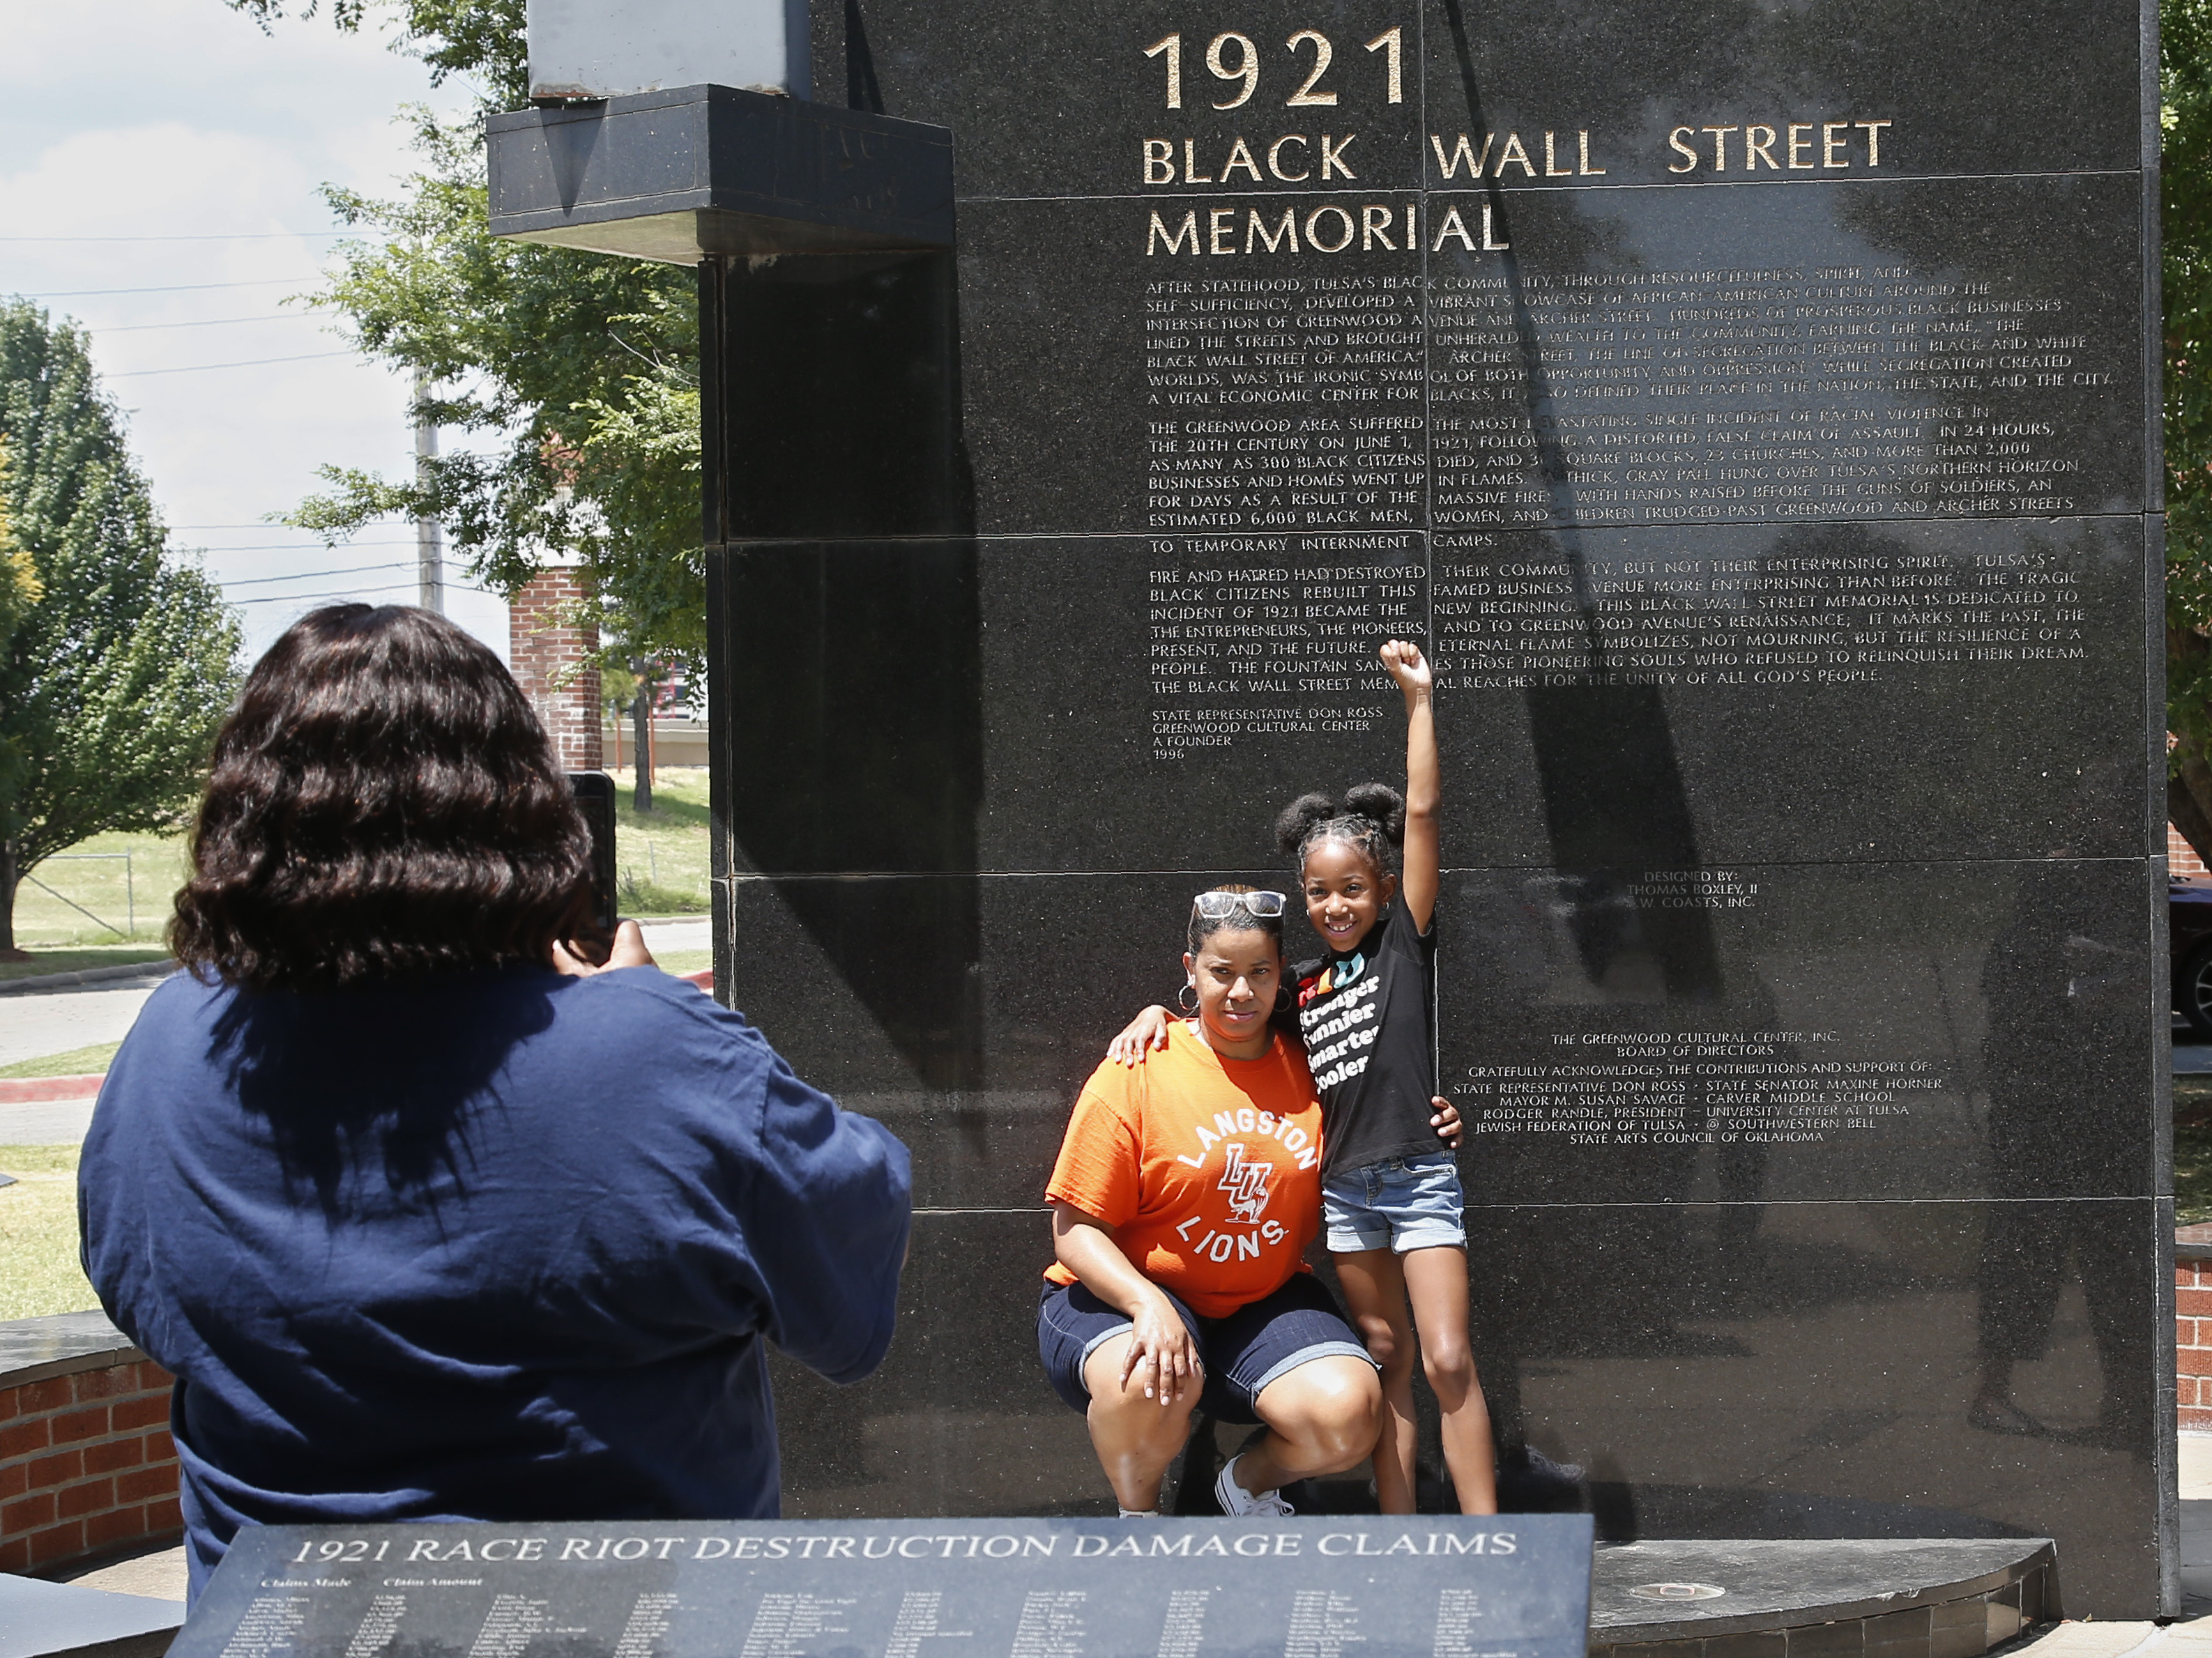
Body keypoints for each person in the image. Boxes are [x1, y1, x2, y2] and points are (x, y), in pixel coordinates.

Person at [77, 605, 911, 1603]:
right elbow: (844, 1285)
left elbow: (141, 1295)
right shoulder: (647, 1048)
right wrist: (659, 1019)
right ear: (520, 802)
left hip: (276, 1619)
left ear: (248, 813)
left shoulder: (176, 1036)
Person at [1111, 640, 1497, 1515]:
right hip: (1345, 1193)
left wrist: (1419, 705)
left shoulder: (1403, 945)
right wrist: (1154, 1018)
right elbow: (1226, 1010)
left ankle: (1488, 1544)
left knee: (1444, 1359)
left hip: (1417, 1178)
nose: (1334, 905)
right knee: (1385, 1360)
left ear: (1385, 887)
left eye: (1353, 887)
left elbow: (1426, 813)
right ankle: (1401, 1540)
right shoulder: (1301, 986)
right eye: (1317, 890)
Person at [1039, 889, 1384, 1518]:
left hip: (1261, 1301)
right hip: (1127, 1292)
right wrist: (1146, 1304)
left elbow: (1385, 1112)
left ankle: (1248, 1485)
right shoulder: (1137, 1066)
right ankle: (1139, 1522)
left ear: (1281, 974)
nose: (1241, 992)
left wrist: (1430, 1125)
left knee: (1348, 1414)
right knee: (1148, 1378)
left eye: (1259, 972)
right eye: (1221, 972)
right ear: (1190, 969)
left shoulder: (1312, 1067)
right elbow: (1074, 1230)